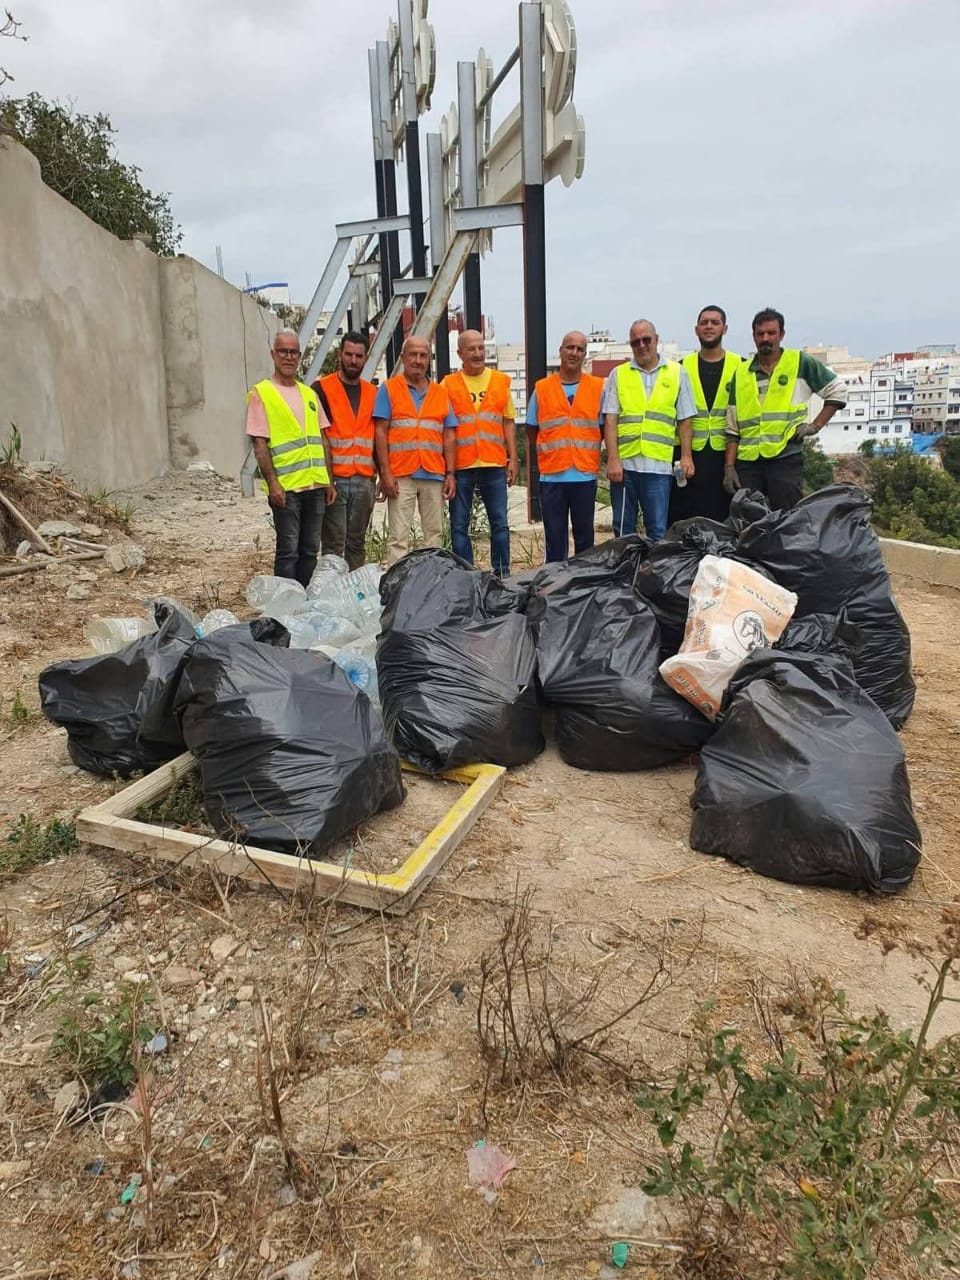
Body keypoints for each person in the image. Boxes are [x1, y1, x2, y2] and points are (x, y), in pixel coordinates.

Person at [724, 308, 847, 510]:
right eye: (760, 333)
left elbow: (838, 391)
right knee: (748, 520)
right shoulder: (742, 373)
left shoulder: (799, 362)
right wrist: (729, 466)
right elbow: (732, 427)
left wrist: (815, 426)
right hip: (748, 462)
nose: (766, 338)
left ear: (781, 335)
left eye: (771, 333)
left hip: (784, 458)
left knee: (786, 519)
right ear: (753, 337)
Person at [245, 328, 336, 587]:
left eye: (293, 352)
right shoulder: (262, 394)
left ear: (300, 356)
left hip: (315, 485)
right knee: (288, 551)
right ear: (273, 354)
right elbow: (259, 443)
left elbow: (323, 439)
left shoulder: (309, 394)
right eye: (283, 351)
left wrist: (328, 480)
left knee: (309, 551)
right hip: (287, 488)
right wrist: (272, 483)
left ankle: (304, 604)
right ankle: (285, 607)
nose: (288, 357)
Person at [603, 319, 695, 542]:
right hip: (626, 467)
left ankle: (654, 575)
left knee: (657, 532)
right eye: (635, 342)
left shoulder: (676, 373)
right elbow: (611, 419)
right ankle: (626, 574)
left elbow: (685, 420)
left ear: (656, 340)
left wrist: (686, 456)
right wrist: (613, 459)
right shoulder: (619, 374)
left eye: (646, 340)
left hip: (658, 467)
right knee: (623, 533)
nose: (642, 345)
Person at [373, 335, 457, 567]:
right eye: (413, 355)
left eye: (423, 356)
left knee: (434, 535)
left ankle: (431, 580)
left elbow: (449, 434)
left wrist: (450, 473)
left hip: (433, 473)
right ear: (403, 358)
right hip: (401, 475)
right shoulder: (389, 389)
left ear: (429, 360)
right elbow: (380, 432)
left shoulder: (441, 393)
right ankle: (397, 586)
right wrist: (385, 473)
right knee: (398, 538)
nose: (418, 360)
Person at [442, 329, 517, 577]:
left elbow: (508, 421)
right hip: (462, 466)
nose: (477, 353)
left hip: (494, 462)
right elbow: (445, 427)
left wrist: (512, 458)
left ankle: (502, 575)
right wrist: (448, 470)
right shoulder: (448, 385)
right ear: (460, 354)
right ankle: (468, 577)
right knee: (459, 526)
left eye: (481, 348)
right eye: (471, 349)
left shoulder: (500, 381)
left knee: (500, 524)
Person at [526, 331, 605, 562]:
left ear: (585, 354)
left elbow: (602, 427)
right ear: (560, 351)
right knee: (555, 541)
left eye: (580, 349)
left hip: (584, 476)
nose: (574, 353)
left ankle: (581, 586)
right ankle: (556, 588)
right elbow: (531, 429)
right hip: (552, 478)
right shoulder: (542, 388)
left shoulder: (597, 387)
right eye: (570, 347)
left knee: (585, 541)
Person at [668, 306, 741, 525]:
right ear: (696, 329)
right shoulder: (681, 368)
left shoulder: (741, 366)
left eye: (715, 322)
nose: (709, 326)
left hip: (726, 454)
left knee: (723, 517)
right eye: (704, 322)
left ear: (725, 328)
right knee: (686, 516)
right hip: (689, 454)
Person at [312, 331, 377, 570]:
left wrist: (378, 475)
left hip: (363, 480)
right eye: (348, 354)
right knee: (332, 545)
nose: (353, 360)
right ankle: (331, 593)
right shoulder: (321, 389)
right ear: (340, 354)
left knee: (356, 543)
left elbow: (377, 436)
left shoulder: (372, 393)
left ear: (365, 358)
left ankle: (354, 593)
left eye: (358, 356)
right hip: (335, 481)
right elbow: (318, 437)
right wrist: (325, 480)